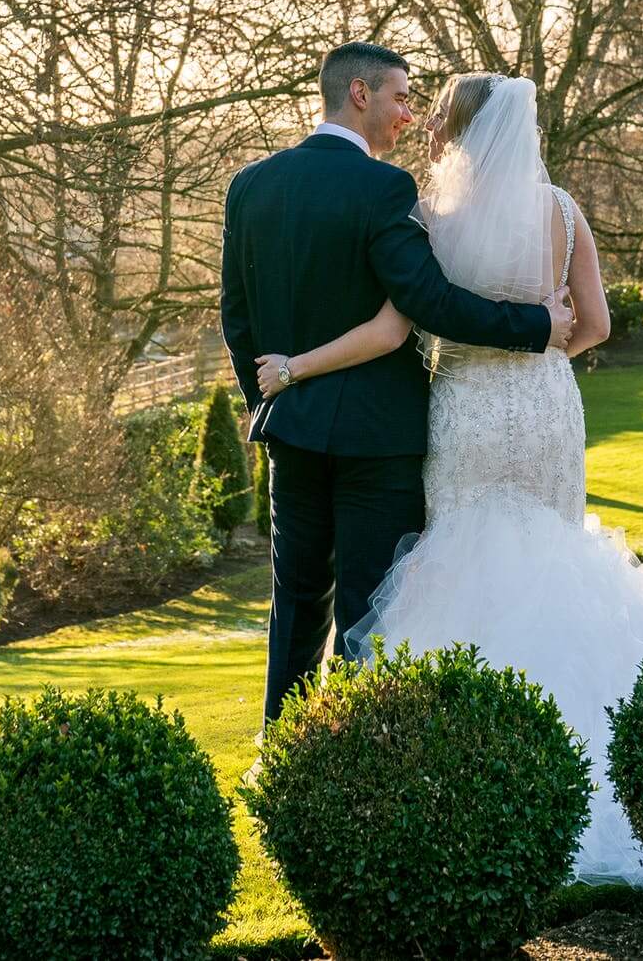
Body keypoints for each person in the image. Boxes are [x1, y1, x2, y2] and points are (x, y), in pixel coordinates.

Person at [250, 69, 643, 907]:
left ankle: (449, 775)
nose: (418, 126)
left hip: (461, 408)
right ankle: (602, 772)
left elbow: (395, 324)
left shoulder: (431, 217)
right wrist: (537, 362)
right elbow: (596, 325)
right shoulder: (562, 212)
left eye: (433, 120)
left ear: (454, 134)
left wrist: (301, 368)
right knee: (551, 557)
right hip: (541, 409)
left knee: (458, 562)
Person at [218, 44, 573, 730]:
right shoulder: (384, 190)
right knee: (369, 609)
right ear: (360, 93)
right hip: (377, 441)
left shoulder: (251, 185)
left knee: (294, 604)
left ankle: (282, 759)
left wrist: (268, 402)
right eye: (402, 98)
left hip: (289, 430)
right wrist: (535, 325)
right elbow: (430, 300)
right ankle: (356, 769)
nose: (411, 114)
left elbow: (237, 318)